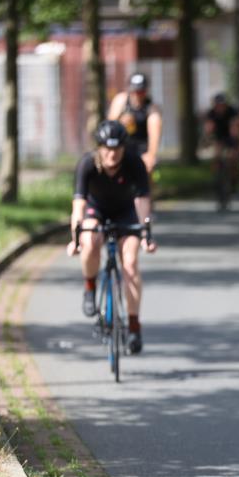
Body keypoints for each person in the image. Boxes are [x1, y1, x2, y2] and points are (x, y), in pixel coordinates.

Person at [69, 120, 157, 354]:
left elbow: (142, 201)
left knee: (130, 263)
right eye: (107, 148)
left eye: (117, 149)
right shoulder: (87, 164)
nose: (112, 154)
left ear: (124, 148)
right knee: (90, 242)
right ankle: (90, 287)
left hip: (126, 212)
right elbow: (78, 205)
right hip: (95, 210)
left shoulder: (134, 163)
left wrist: (146, 233)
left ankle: (134, 326)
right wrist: (75, 239)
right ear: (99, 147)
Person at [108, 72, 163, 175]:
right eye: (135, 91)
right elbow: (109, 126)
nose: (137, 94)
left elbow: (154, 135)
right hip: (121, 147)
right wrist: (120, 120)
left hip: (141, 149)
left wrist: (151, 155)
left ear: (146, 91)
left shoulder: (152, 109)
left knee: (146, 169)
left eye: (141, 91)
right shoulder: (121, 101)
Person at [204, 92, 239, 208]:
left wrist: (235, 146)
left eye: (222, 105)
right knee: (217, 157)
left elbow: (235, 129)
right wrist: (207, 140)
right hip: (218, 138)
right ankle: (217, 181)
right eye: (218, 105)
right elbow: (209, 128)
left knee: (232, 159)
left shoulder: (232, 112)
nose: (220, 107)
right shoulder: (211, 113)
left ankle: (233, 183)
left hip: (230, 138)